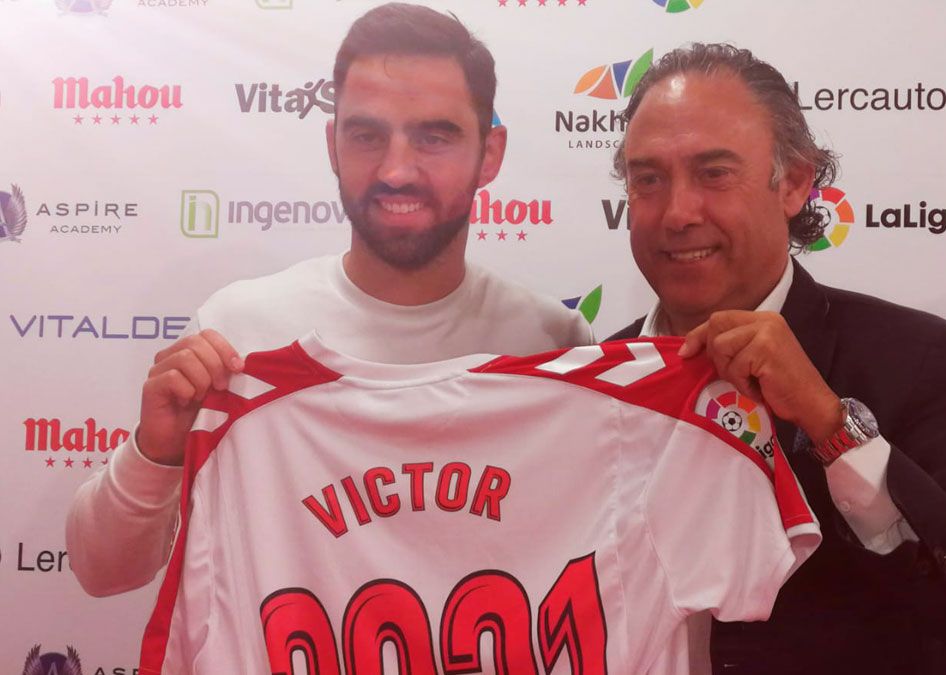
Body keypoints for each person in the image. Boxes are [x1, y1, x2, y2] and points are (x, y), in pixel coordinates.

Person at [66, 2, 591, 599]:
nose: (396, 170)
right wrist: (155, 450)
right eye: (367, 135)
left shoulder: (555, 344)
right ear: (332, 145)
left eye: (434, 136)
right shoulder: (238, 332)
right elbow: (103, 572)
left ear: (489, 154)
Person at [608, 43, 946, 674]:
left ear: (793, 182)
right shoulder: (597, 376)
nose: (677, 212)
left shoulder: (924, 360)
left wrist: (833, 427)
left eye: (714, 172)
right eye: (648, 178)